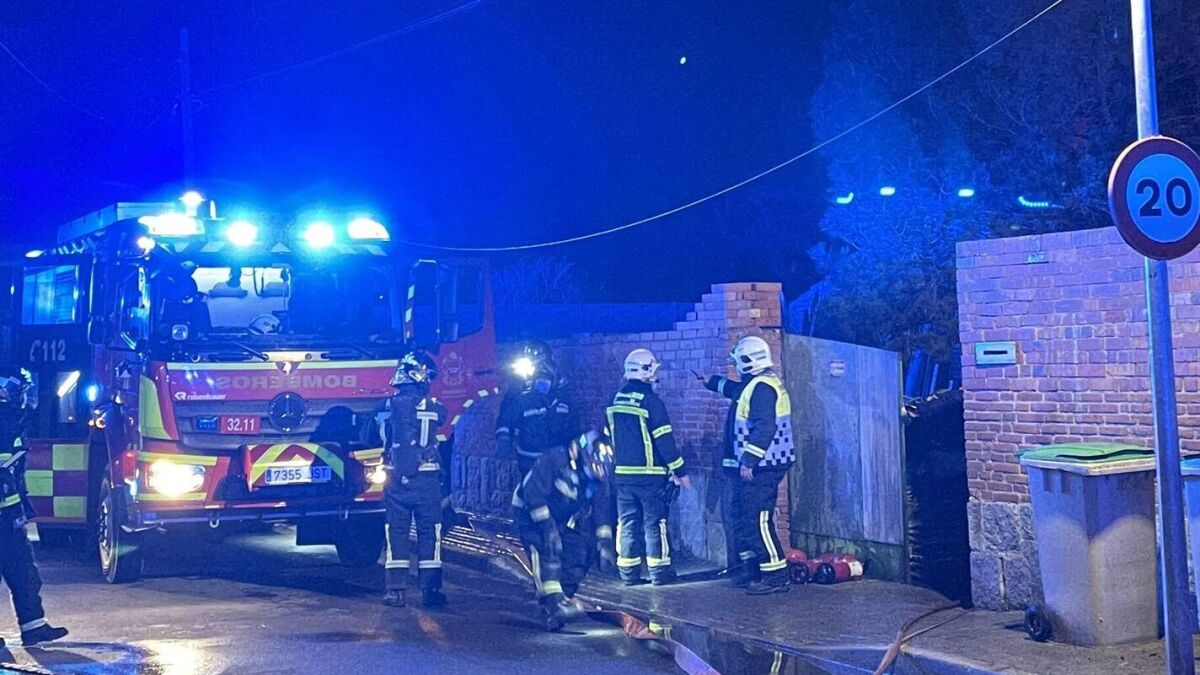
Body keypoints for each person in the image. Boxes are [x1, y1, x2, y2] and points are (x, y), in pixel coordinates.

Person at [700, 336, 796, 595]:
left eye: (737, 362)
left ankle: (776, 575)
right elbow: (736, 392)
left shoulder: (762, 388)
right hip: (756, 465)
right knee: (743, 517)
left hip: (763, 466)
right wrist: (712, 382)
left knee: (758, 519)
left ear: (747, 361)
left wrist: (749, 461)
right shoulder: (755, 385)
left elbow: (765, 427)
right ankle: (752, 568)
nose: (735, 366)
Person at [512, 430, 614, 630]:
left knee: (579, 555)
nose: (599, 469)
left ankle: (561, 603)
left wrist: (604, 542)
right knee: (548, 552)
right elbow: (534, 493)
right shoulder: (554, 459)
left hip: (563, 516)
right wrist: (547, 529)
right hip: (530, 513)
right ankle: (553, 603)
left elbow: (602, 507)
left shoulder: (596, 478)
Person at [607, 349, 691, 586]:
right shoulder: (652, 402)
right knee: (655, 523)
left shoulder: (616, 399)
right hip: (650, 475)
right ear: (647, 370)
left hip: (623, 475)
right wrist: (680, 471)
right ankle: (659, 572)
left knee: (627, 523)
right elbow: (664, 440)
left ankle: (628, 574)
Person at [0, 367, 69, 647]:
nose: (23, 398)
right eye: (18, 392)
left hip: (9, 511)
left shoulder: (11, 419)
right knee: (20, 567)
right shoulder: (6, 420)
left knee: (23, 570)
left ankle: (33, 627)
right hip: (4, 510)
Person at [380, 351, 449, 609]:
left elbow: (370, 436)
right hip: (427, 480)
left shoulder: (385, 407)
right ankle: (430, 590)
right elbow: (443, 420)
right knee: (430, 533)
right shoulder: (434, 407)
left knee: (396, 533)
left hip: (395, 479)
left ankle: (395, 590)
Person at [495, 341, 579, 477]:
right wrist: (504, 439)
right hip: (529, 456)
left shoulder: (559, 392)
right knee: (531, 486)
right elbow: (507, 416)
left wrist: (573, 446)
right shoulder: (520, 394)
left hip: (556, 456)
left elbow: (571, 419)